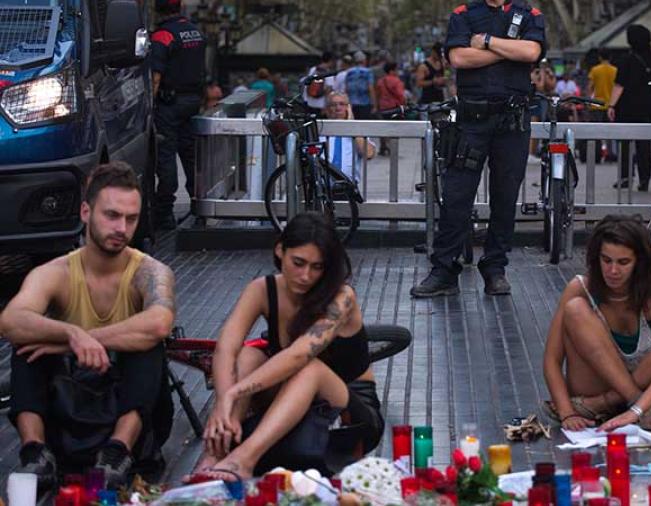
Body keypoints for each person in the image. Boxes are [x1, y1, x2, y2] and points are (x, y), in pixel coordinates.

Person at [0, 162, 176, 488]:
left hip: (126, 409)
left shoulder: (150, 271)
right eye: (111, 215)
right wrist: (71, 334)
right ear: (85, 212)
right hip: (70, 401)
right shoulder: (55, 272)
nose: (122, 227)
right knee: (26, 342)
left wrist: (84, 339)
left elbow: (159, 323)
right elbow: (10, 320)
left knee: (148, 343)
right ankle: (35, 453)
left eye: (131, 218)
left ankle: (115, 454)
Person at [186, 212, 383, 481]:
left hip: (350, 412)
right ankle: (215, 454)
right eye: (298, 263)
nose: (305, 276)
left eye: (317, 267)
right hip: (292, 405)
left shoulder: (342, 297)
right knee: (248, 356)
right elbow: (225, 349)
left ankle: (243, 460)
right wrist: (223, 400)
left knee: (308, 367)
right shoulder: (262, 289)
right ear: (280, 250)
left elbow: (298, 354)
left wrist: (235, 392)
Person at [409, 0, 545, 298]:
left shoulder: (529, 13)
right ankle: (444, 270)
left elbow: (532, 52)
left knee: (505, 197)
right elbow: (458, 58)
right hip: (470, 120)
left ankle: (495, 268)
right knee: (456, 195)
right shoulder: (463, 14)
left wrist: (485, 43)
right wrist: (510, 50)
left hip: (512, 122)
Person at [542, 216, 651, 431]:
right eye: (606, 260)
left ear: (639, 264)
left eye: (623, 262)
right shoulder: (580, 287)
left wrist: (636, 411)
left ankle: (611, 404)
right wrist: (566, 411)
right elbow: (551, 359)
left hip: (645, 396)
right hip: (595, 385)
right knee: (575, 308)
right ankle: (629, 399)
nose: (613, 271)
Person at [149, 0, 207, 230]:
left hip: (169, 103)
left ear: (157, 9)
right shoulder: (196, 32)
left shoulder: (163, 36)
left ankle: (164, 211)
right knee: (190, 154)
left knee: (166, 156)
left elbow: (156, 76)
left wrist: (150, 105)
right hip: (193, 101)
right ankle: (198, 202)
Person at [607, 25, 651, 192]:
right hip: (649, 104)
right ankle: (644, 179)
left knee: (625, 143)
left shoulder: (627, 59)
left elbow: (619, 85)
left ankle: (625, 177)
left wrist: (611, 105)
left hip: (628, 105)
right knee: (644, 144)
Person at [322, 92, 376, 183]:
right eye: (333, 105)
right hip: (322, 188)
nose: (338, 108)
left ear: (348, 108)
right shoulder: (319, 130)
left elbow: (369, 154)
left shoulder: (357, 131)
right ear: (327, 109)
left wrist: (352, 125)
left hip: (349, 187)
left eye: (342, 104)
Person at [530, 59, 556, 156]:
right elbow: (540, 86)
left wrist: (549, 75)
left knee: (542, 124)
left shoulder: (545, 73)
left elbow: (551, 86)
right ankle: (530, 152)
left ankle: (534, 151)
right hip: (535, 101)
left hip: (544, 101)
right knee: (534, 125)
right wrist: (541, 72)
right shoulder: (533, 74)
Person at [344, 51, 377, 120]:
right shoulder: (368, 71)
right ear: (364, 60)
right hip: (364, 103)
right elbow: (370, 88)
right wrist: (374, 105)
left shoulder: (349, 71)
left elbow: (346, 88)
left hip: (352, 103)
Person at [304, 51, 337, 116]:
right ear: (331, 60)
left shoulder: (313, 69)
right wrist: (326, 106)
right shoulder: (328, 72)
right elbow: (328, 90)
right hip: (321, 105)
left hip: (310, 103)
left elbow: (307, 85)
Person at [587, 49, 617, 120]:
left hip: (597, 105)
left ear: (599, 57)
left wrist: (588, 102)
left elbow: (590, 87)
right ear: (610, 57)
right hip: (610, 105)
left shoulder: (595, 70)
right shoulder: (615, 70)